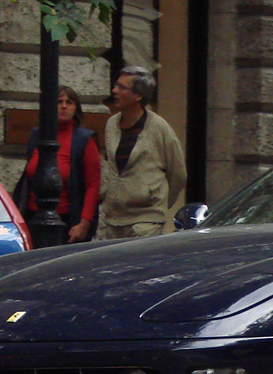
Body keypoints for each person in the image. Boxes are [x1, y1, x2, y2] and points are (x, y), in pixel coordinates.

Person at [100, 66, 187, 239]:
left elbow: (178, 173)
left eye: (122, 87)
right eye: (116, 85)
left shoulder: (158, 127)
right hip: (111, 219)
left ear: (138, 95)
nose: (114, 91)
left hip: (145, 222)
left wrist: (158, 202)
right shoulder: (112, 124)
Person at [17, 85, 102, 243]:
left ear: (76, 109)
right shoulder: (37, 135)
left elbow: (93, 185)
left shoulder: (84, 139)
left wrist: (84, 223)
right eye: (59, 102)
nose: (64, 106)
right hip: (33, 218)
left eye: (69, 102)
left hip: (67, 223)